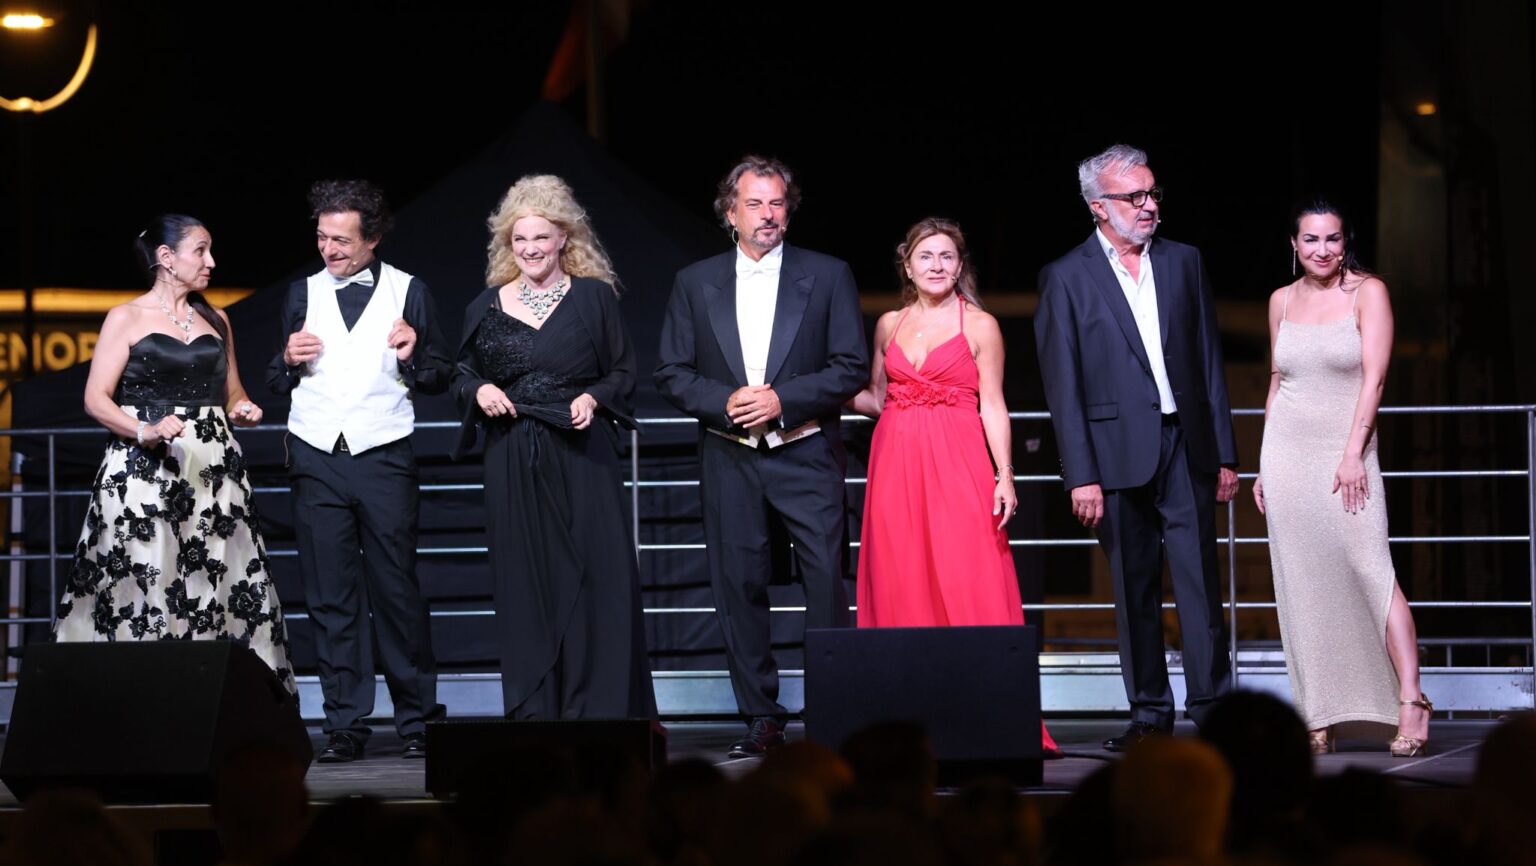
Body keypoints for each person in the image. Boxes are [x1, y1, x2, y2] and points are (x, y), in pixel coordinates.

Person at [655, 155, 868, 757]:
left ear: (788, 212)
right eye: (755, 204)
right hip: (730, 456)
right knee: (738, 586)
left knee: (825, 583)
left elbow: (851, 366)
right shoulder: (695, 281)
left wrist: (781, 400)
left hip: (806, 451)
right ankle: (761, 717)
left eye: (777, 203)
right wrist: (725, 402)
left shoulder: (827, 275)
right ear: (731, 213)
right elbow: (671, 371)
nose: (768, 214)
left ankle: (834, 712)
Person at [1034, 144, 1239, 752]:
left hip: (1186, 445)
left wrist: (1225, 452)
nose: (1149, 205)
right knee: (1134, 587)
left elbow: (1209, 361)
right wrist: (1080, 475)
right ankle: (1150, 712)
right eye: (1135, 196)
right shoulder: (1066, 276)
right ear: (1099, 207)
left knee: (1200, 584)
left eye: (1153, 193)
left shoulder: (1183, 261)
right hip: (1113, 453)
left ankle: (1213, 707)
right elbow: (1063, 386)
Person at [56, 215, 294, 692]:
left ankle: (212, 696)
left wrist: (242, 408)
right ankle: (139, 696)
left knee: (216, 576)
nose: (212, 261)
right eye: (201, 250)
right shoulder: (125, 317)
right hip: (144, 468)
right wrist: (143, 429)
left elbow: (232, 392)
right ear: (166, 258)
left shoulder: (217, 318)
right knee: (146, 573)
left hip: (212, 469)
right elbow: (95, 398)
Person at [451, 174, 656, 720]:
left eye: (541, 237)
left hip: (583, 453)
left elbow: (623, 372)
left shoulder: (594, 298)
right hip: (512, 456)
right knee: (526, 583)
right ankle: (537, 712)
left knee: (598, 577)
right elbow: (460, 374)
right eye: (519, 239)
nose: (531, 249)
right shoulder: (485, 305)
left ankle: (602, 711)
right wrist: (479, 389)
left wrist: (594, 396)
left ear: (564, 237)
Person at [849, 217, 1057, 753]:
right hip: (895, 461)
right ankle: (905, 717)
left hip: (959, 461)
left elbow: (994, 404)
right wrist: (817, 386)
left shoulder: (980, 325)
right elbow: (875, 398)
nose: (936, 266)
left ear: (960, 266)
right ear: (907, 264)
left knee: (971, 574)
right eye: (926, 256)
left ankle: (988, 711)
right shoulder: (889, 324)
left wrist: (1005, 474)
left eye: (946, 256)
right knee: (901, 574)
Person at [267, 179, 449, 762]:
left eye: (341, 240)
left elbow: (440, 374)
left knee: (397, 591)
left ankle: (418, 719)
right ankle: (345, 723)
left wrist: (414, 355)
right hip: (316, 456)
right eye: (322, 237)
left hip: (384, 455)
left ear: (372, 239)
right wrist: (286, 360)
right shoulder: (301, 293)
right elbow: (276, 377)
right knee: (331, 596)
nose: (329, 249)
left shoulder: (409, 291)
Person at [1254, 198, 1431, 756]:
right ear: (1294, 244)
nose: (1322, 249)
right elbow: (1277, 382)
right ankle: (1318, 714)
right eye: (1310, 239)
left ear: (1344, 241)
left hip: (1347, 453)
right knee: (1303, 584)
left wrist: (1354, 452)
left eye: (1332, 238)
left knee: (1372, 572)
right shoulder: (1281, 300)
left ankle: (1411, 701)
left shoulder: (1367, 292)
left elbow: (1374, 380)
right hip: (1287, 457)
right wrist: (1262, 464)